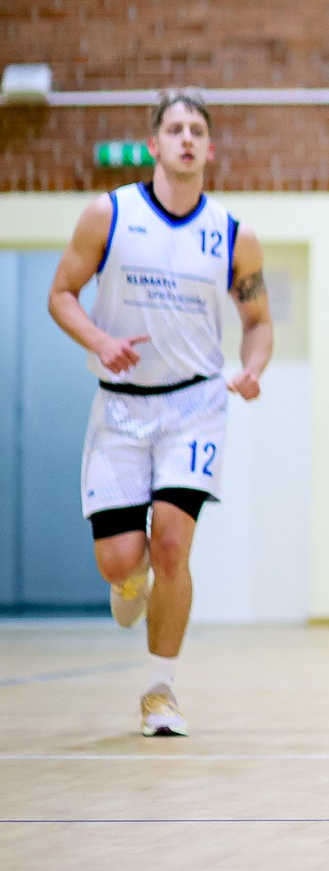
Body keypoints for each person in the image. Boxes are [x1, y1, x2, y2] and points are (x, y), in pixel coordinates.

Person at [47, 92, 272, 736]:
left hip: (194, 405)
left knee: (173, 542)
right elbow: (61, 294)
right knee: (122, 558)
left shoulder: (232, 234)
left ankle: (160, 692)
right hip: (121, 407)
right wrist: (99, 341)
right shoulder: (109, 214)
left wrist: (252, 369)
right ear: (154, 145)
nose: (186, 138)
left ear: (210, 148)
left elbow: (258, 322)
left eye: (197, 129)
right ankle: (128, 582)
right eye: (174, 128)